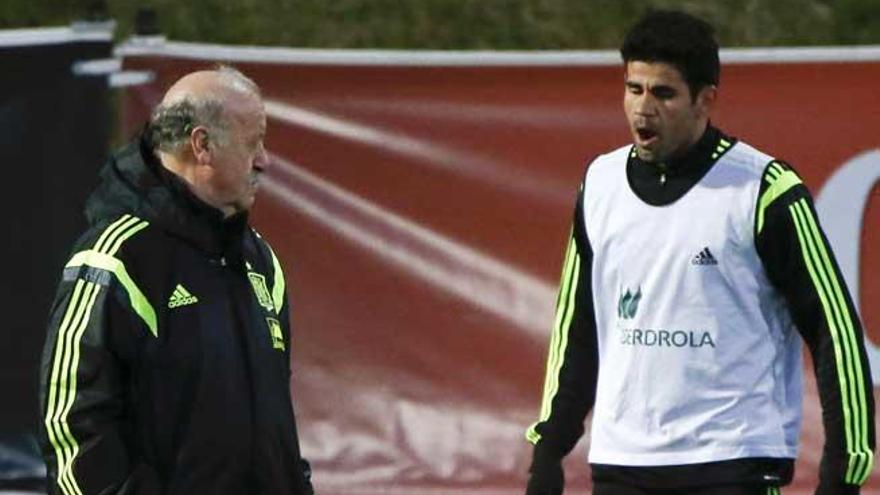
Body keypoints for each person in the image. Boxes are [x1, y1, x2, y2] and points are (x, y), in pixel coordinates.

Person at [524, 10, 874, 495]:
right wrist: (548, 449)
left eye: (663, 93)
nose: (643, 110)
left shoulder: (764, 190)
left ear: (705, 100)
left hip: (733, 465)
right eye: (634, 89)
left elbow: (833, 328)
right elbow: (576, 325)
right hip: (622, 466)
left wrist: (844, 470)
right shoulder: (599, 184)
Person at [38, 67, 314, 494]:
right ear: (202, 145)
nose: (264, 159)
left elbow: (272, 421)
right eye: (253, 142)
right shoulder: (116, 258)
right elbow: (72, 427)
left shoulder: (259, 260)